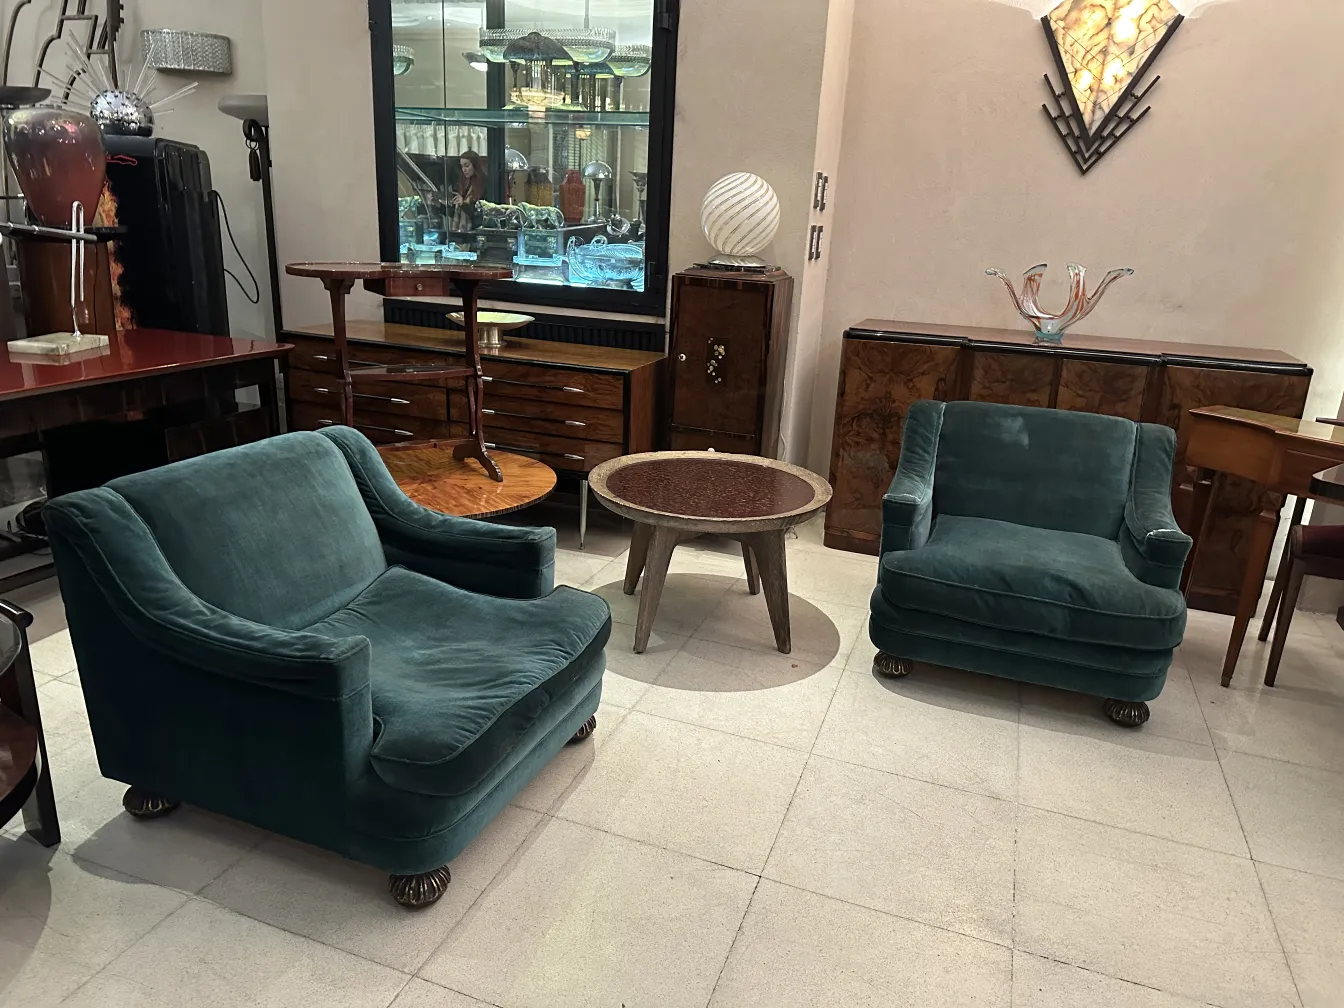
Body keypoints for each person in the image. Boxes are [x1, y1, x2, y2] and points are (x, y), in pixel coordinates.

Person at [449, 150, 486, 232]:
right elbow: (455, 213)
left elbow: (479, 214)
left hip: (476, 231)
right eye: (462, 166)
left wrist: (463, 204)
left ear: (475, 166)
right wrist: (439, 205)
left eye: (467, 166)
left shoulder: (483, 184)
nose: (464, 170)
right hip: (461, 232)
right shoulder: (463, 184)